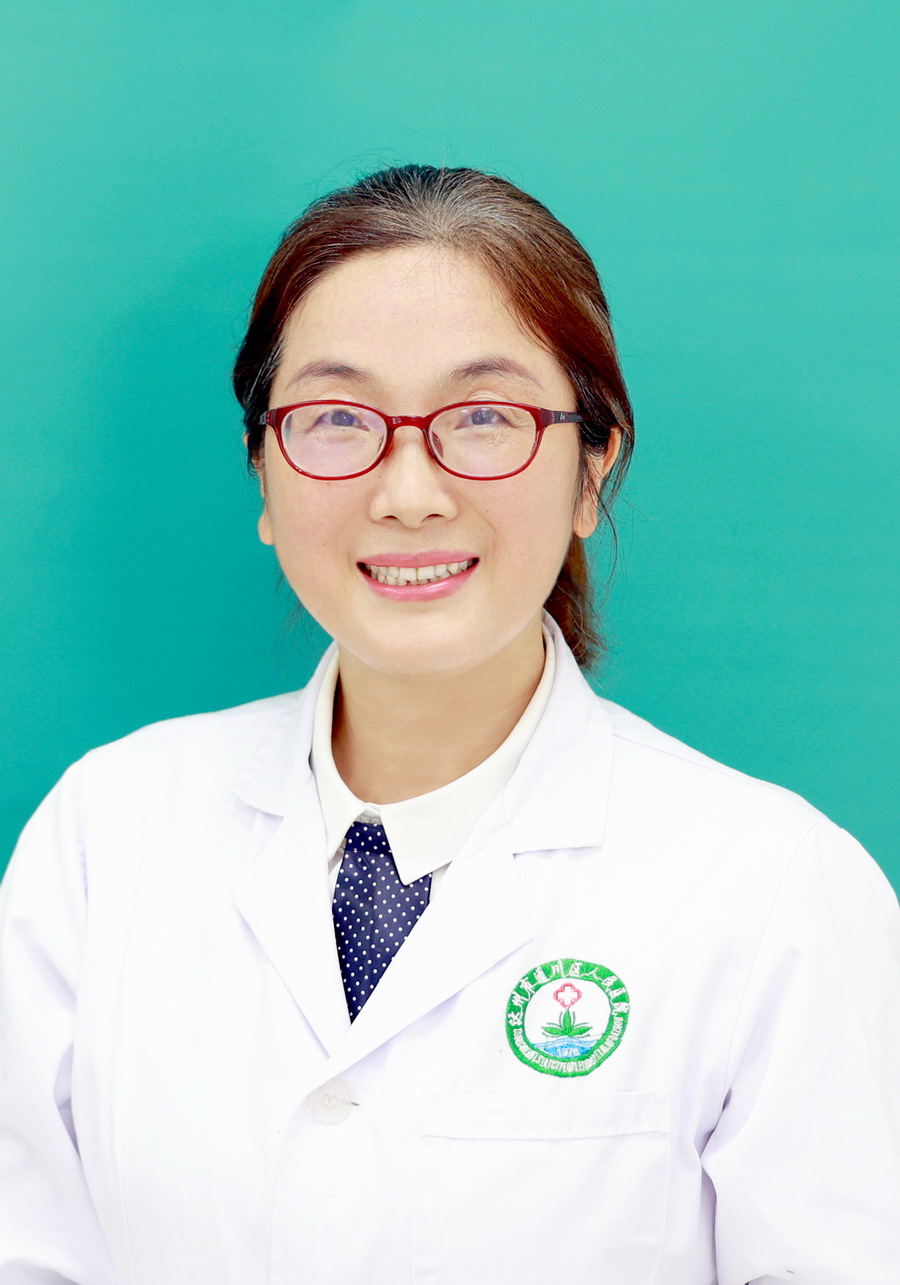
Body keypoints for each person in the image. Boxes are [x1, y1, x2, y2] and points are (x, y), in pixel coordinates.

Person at [1, 163, 898, 1285]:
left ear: (593, 468)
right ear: (264, 476)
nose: (410, 492)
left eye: (483, 418)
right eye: (337, 418)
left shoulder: (773, 892)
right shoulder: (108, 835)